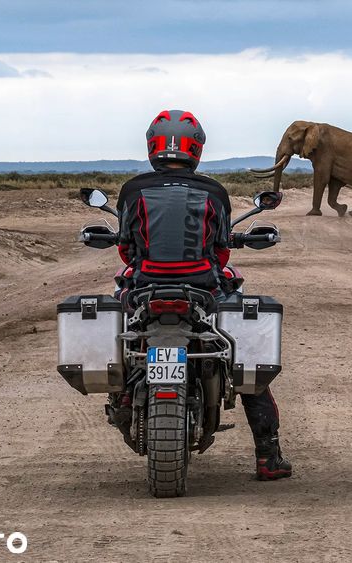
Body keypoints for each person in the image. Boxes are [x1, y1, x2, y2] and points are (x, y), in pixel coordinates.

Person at [116, 109, 292, 481]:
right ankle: (267, 456)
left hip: (145, 289)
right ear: (196, 149)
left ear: (152, 146)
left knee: (121, 331)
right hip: (202, 291)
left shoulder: (132, 190)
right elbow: (221, 251)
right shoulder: (214, 192)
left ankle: (125, 395)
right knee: (244, 356)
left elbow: (126, 250)